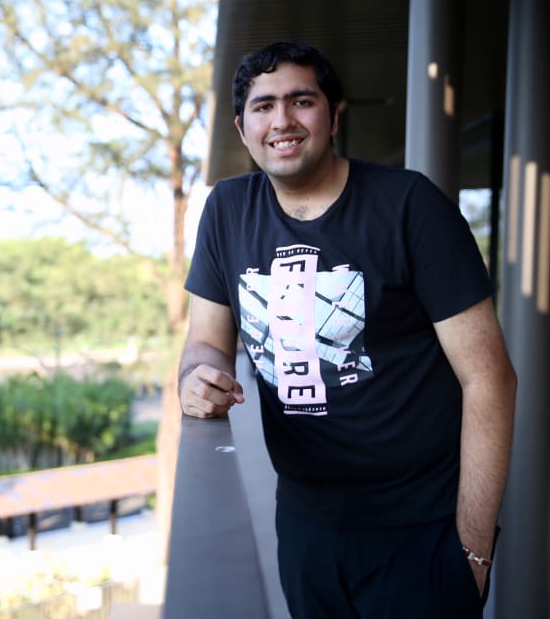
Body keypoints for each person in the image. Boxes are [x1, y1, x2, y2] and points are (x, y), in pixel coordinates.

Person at [178, 40, 516, 619]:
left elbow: (491, 380)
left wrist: (473, 553)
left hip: (419, 530)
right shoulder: (228, 210)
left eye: (300, 101)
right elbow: (205, 341)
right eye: (263, 107)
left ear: (334, 115)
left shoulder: (410, 207)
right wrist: (195, 376)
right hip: (306, 521)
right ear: (242, 128)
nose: (281, 121)